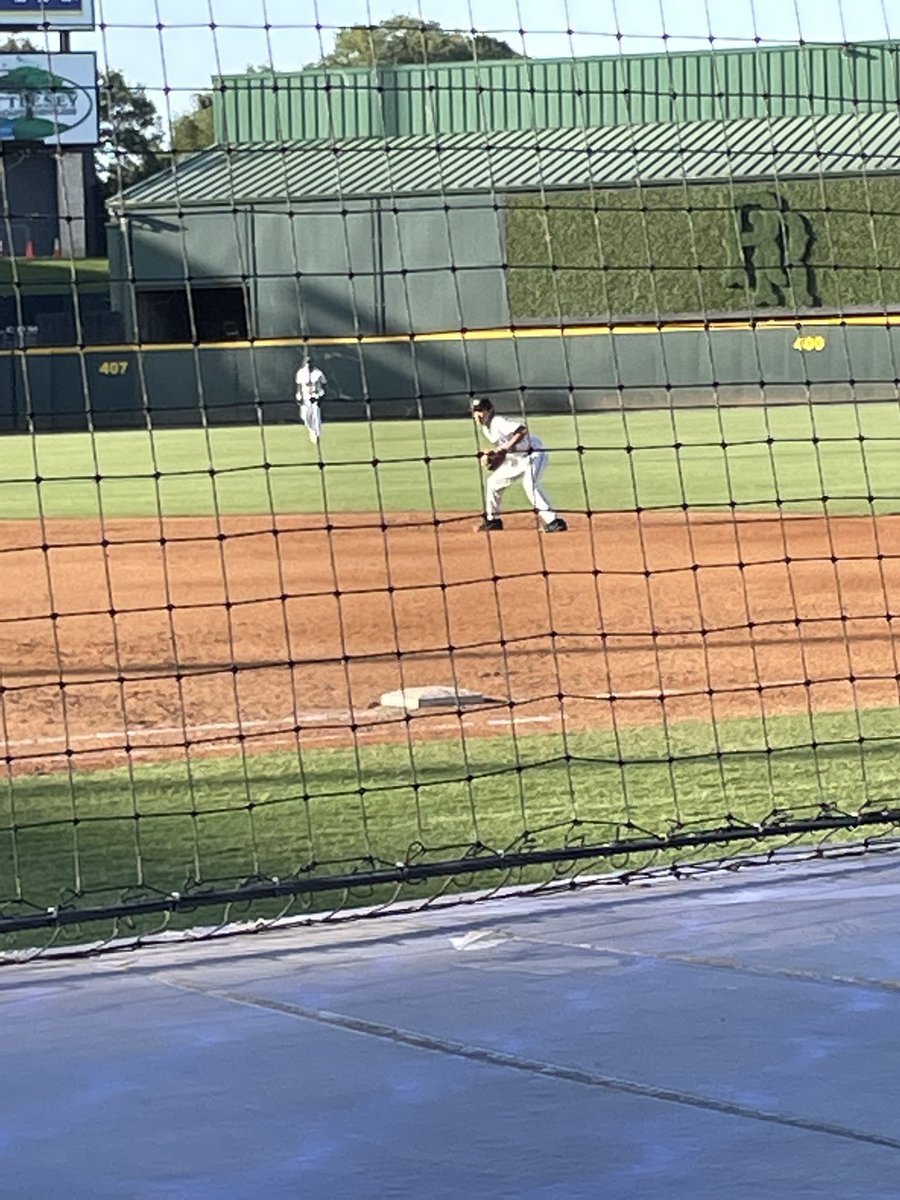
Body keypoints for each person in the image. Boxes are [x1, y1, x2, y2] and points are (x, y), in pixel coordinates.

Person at [471, 397, 567, 533]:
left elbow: (522, 430)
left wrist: (504, 448)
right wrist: (495, 460)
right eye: (475, 412)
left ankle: (554, 521)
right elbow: (504, 452)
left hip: (533, 454)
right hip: (516, 460)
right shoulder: (486, 429)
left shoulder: (497, 422)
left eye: (481, 411)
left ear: (490, 411)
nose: (477, 415)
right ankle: (493, 521)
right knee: (493, 483)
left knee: (530, 484)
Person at [295, 353, 327, 444]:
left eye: (310, 362)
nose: (309, 364)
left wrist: (321, 396)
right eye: (307, 362)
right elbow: (299, 386)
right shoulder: (301, 373)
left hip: (315, 397)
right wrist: (298, 397)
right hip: (305, 398)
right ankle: (312, 431)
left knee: (316, 417)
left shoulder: (318, 373)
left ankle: (317, 435)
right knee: (305, 417)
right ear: (304, 363)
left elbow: (324, 384)